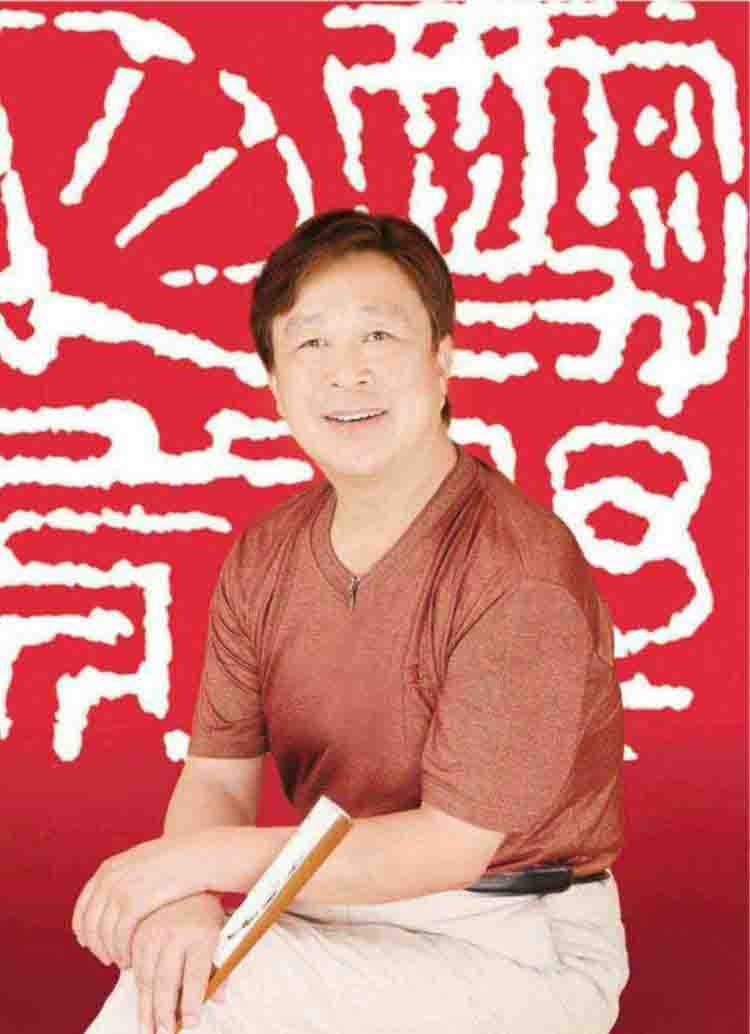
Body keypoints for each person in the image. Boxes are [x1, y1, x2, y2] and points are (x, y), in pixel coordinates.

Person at [74, 210, 629, 1034]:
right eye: (311, 343)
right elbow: (217, 778)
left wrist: (189, 862)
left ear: (442, 357)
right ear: (273, 383)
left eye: (379, 336)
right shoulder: (266, 554)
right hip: (334, 905)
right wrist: (186, 902)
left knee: (210, 999)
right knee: (174, 969)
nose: (347, 373)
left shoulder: (519, 570)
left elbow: (450, 845)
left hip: (515, 934)